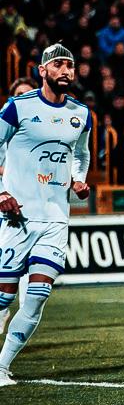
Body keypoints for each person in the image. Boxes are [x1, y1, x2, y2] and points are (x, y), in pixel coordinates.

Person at [0, 44, 92, 386]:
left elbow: (81, 155)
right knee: (4, 295)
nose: (66, 70)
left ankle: (1, 367)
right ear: (43, 70)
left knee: (38, 295)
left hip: (55, 219)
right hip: (18, 216)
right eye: (58, 65)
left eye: (70, 65)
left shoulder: (81, 114)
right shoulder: (17, 108)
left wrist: (79, 179)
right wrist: (2, 193)